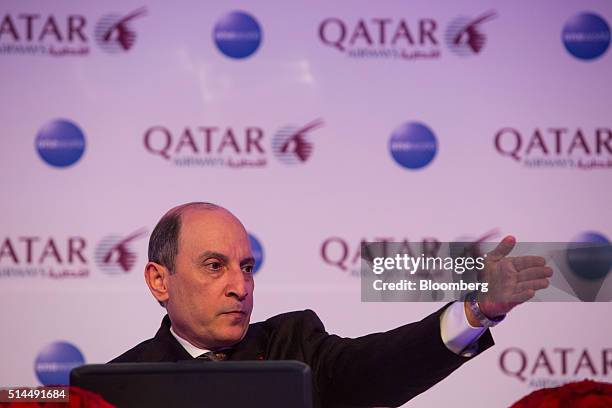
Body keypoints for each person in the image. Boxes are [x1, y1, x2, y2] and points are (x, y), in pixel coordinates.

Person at [111, 202, 552, 407]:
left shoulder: (295, 345)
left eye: (246, 267)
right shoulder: (114, 387)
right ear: (158, 281)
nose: (239, 286)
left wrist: (477, 311)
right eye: (214, 266)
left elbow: (381, 366)